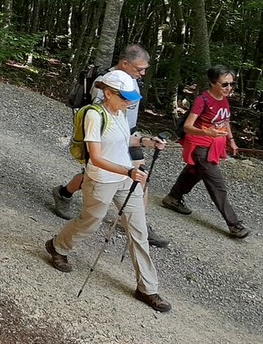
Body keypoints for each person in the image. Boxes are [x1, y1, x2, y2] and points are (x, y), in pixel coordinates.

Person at [45, 69, 171, 312]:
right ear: (109, 93)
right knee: (90, 222)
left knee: (138, 230)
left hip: (125, 179)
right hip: (102, 179)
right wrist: (128, 172)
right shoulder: (95, 115)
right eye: (124, 97)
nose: (129, 102)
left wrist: (146, 141)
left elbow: (125, 141)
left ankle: (147, 288)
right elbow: (96, 157)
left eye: (131, 97)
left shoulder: (119, 112)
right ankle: (57, 246)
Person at [52, 44, 169, 248]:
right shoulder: (105, 85)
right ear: (125, 63)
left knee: (140, 176)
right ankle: (63, 193)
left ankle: (136, 223)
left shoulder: (131, 81)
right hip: (106, 138)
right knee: (95, 176)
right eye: (139, 68)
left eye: (144, 69)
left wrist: (144, 140)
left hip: (128, 134)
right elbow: (98, 116)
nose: (143, 73)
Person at [161, 66, 250, 239]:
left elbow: (225, 121)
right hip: (201, 146)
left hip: (215, 145)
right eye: (225, 84)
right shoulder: (203, 100)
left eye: (232, 84)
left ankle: (173, 197)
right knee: (217, 185)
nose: (229, 88)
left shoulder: (224, 98)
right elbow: (188, 126)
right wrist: (206, 132)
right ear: (213, 83)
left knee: (194, 171)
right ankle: (234, 225)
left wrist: (231, 140)